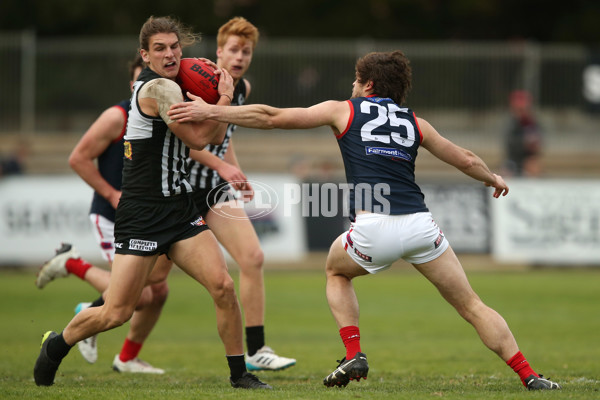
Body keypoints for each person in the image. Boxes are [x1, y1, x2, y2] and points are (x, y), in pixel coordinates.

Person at [167, 50, 561, 391]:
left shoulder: (344, 109)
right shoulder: (414, 122)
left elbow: (271, 116)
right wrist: (492, 178)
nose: (353, 86)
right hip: (421, 226)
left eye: (357, 81)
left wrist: (210, 109)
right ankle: (530, 376)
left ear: (369, 84)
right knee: (473, 304)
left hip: (374, 228)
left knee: (335, 273)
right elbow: (465, 158)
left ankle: (353, 353)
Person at [33, 15, 271, 390]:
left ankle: (240, 374)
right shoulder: (157, 89)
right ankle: (56, 344)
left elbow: (215, 132)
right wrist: (222, 96)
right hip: (142, 212)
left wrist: (217, 102)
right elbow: (199, 140)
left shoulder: (180, 81)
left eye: (175, 46)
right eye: (159, 48)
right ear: (145, 55)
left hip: (179, 208)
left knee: (223, 287)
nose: (170, 53)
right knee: (117, 311)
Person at [36, 54, 170, 373]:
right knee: (137, 297)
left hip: (146, 217)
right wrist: (112, 194)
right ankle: (73, 264)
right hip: (113, 216)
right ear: (132, 82)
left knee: (158, 290)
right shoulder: (117, 116)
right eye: (143, 78)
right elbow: (78, 158)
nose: (149, 85)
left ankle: (126, 358)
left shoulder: (166, 114)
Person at [186, 16, 295, 371]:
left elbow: (224, 137)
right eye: (233, 49)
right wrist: (222, 167)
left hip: (215, 190)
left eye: (246, 51)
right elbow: (188, 142)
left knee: (253, 257)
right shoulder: (197, 81)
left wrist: (235, 170)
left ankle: (258, 350)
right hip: (180, 189)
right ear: (219, 51)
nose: (239, 56)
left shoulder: (242, 88)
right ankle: (93, 314)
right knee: (149, 284)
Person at [502, 90, 543, 177]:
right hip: (513, 160)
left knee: (533, 166)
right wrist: (524, 143)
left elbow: (539, 144)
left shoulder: (533, 123)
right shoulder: (511, 124)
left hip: (529, 160)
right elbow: (510, 144)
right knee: (506, 173)